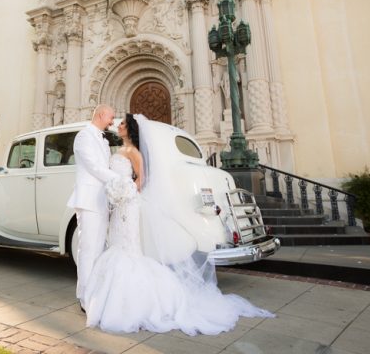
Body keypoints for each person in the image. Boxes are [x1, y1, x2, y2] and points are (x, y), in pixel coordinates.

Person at [84, 114, 273, 335]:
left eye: (124, 123)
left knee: (128, 248)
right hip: (119, 207)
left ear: (131, 129)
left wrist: (124, 193)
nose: (119, 125)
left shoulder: (134, 152)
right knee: (117, 244)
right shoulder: (120, 150)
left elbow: (141, 179)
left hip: (128, 205)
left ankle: (134, 301)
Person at [67, 104, 117, 310]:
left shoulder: (103, 140)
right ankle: (84, 297)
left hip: (101, 200)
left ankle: (95, 292)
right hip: (88, 200)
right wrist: (119, 179)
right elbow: (94, 167)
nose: (112, 121)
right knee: (88, 249)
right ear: (101, 114)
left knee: (98, 249)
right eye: (111, 117)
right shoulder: (84, 136)